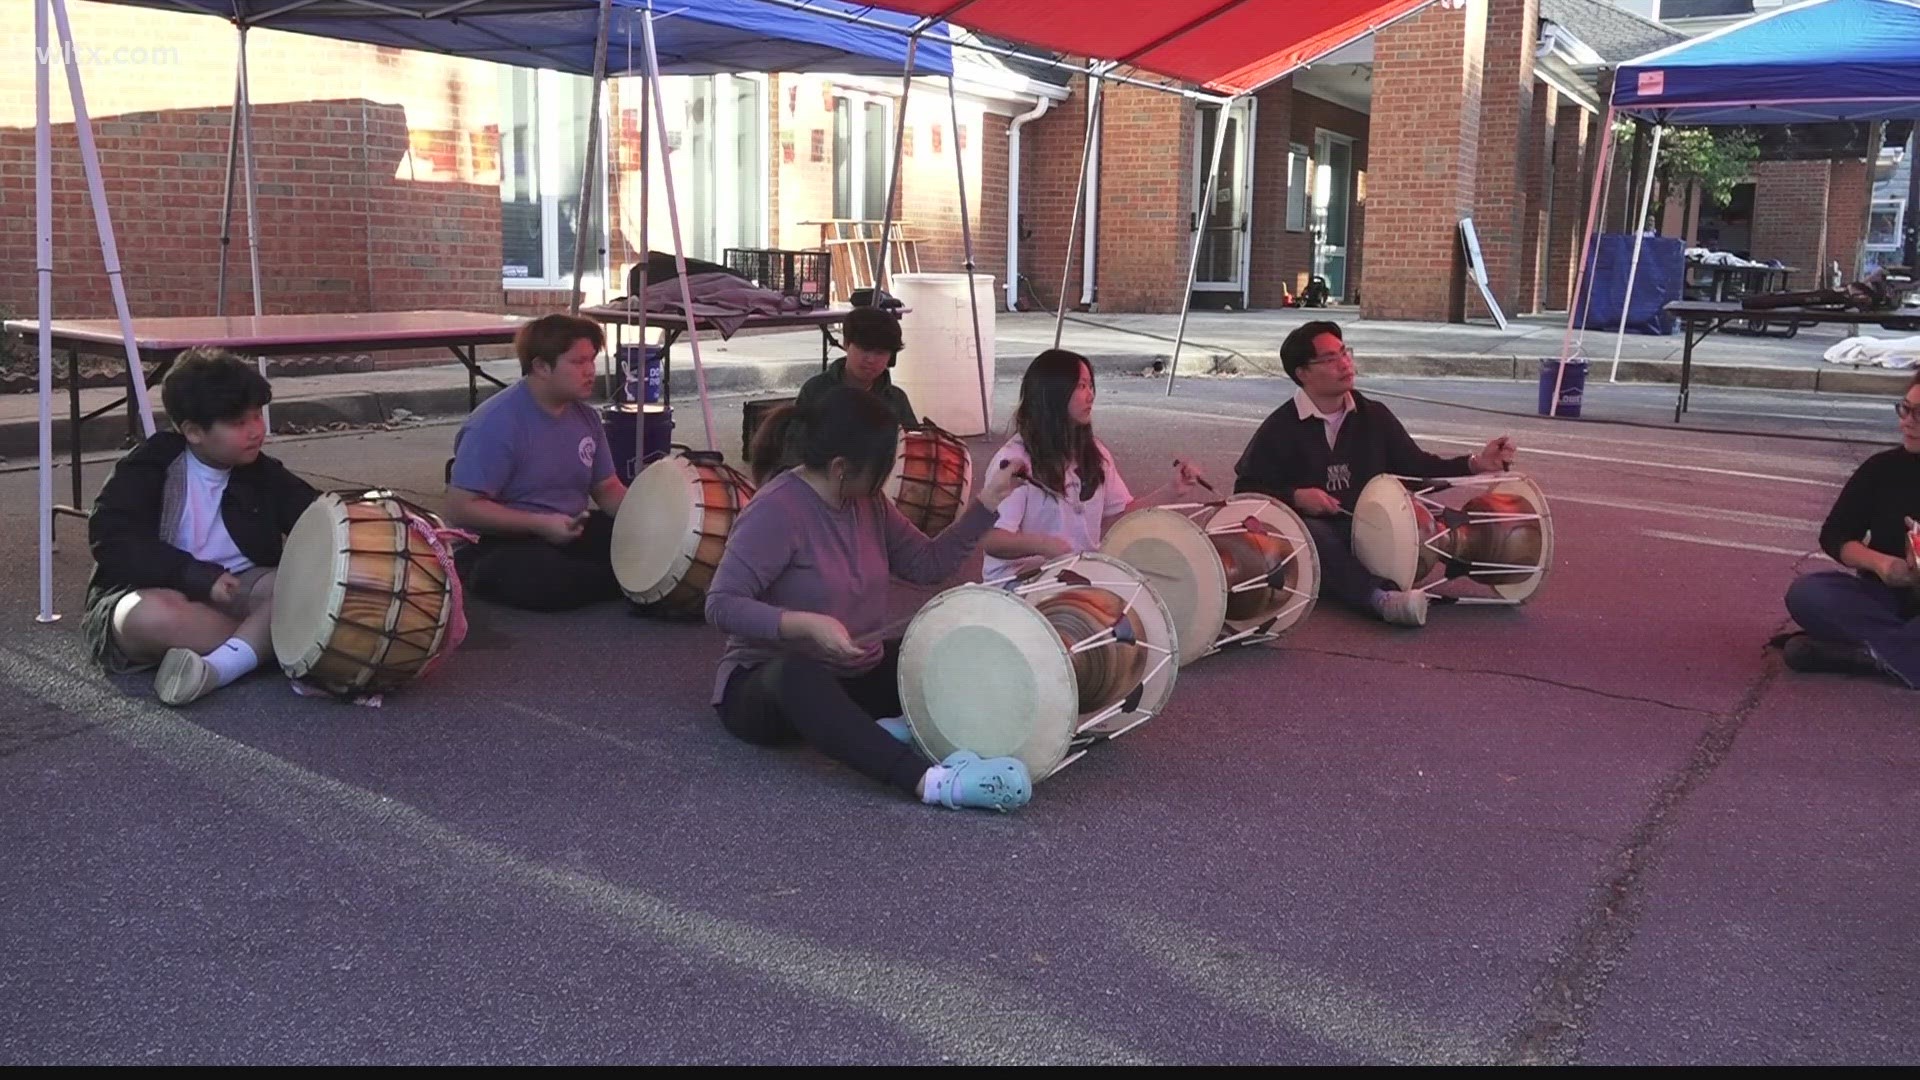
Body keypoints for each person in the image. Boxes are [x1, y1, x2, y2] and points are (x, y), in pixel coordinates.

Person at [706, 386, 1033, 811]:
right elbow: (721, 603)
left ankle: (895, 730)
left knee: (932, 648)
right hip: (767, 688)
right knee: (797, 674)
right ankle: (930, 783)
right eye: (881, 468)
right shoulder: (777, 510)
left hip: (852, 672)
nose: (887, 477)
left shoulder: (869, 503)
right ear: (842, 467)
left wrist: (988, 501)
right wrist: (804, 624)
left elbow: (926, 564)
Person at [1233, 321, 1517, 627]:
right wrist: (1297, 497)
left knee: (1431, 518)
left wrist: (1475, 463)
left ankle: (1495, 565)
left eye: (1345, 353)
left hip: (1370, 523)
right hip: (1316, 532)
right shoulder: (1282, 427)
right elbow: (1246, 490)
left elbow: (1416, 468)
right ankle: (1379, 599)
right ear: (1303, 374)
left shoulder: (1373, 415)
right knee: (1314, 535)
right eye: (1330, 359)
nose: (1345, 364)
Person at [82, 348, 319, 706]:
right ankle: (271, 646)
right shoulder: (147, 467)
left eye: (258, 416)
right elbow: (113, 541)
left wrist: (370, 509)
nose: (257, 430)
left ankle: (219, 667)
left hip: (244, 590)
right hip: (164, 593)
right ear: (193, 431)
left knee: (299, 586)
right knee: (144, 616)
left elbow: (316, 517)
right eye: (239, 423)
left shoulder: (262, 472)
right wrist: (195, 575)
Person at [446, 313, 627, 611]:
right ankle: (621, 582)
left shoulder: (586, 417)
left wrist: (651, 521)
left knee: (638, 543)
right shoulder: (495, 423)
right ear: (541, 366)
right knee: (544, 579)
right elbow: (461, 508)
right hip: (504, 541)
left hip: (569, 527)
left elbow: (606, 487)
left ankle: (617, 580)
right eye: (578, 362)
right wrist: (540, 524)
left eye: (592, 360)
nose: (590, 371)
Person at [980, 348, 1209, 580]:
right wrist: (1044, 545)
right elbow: (992, 540)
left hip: (1077, 574)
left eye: (1091, 385)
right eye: (1081, 386)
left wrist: (1172, 490)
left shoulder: (1095, 452)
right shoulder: (1014, 461)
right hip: (1020, 583)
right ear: (1053, 393)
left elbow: (1120, 516)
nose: (1090, 395)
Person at [1780, 372, 1920, 687]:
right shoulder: (1882, 469)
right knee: (1808, 593)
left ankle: (1865, 656)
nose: (1907, 422)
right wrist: (1881, 563)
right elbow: (1835, 534)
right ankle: (1898, 653)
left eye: (1919, 414)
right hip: (1885, 598)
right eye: (1905, 409)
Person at [794, 305, 918, 428]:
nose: (871, 360)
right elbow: (794, 442)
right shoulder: (816, 391)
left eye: (880, 353)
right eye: (864, 349)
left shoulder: (896, 399)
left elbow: (913, 442)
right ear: (846, 344)